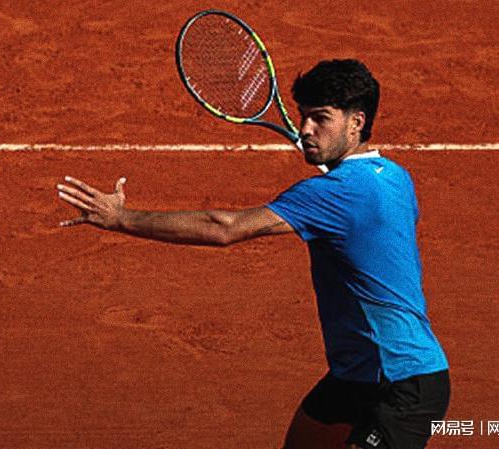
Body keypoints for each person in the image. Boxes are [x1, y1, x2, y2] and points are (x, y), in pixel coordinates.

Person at [57, 59, 450, 449]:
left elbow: (224, 228)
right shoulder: (395, 178)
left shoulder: (334, 194)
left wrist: (121, 218)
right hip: (356, 374)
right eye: (303, 116)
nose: (305, 129)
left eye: (320, 119)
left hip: (400, 384)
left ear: (356, 122)